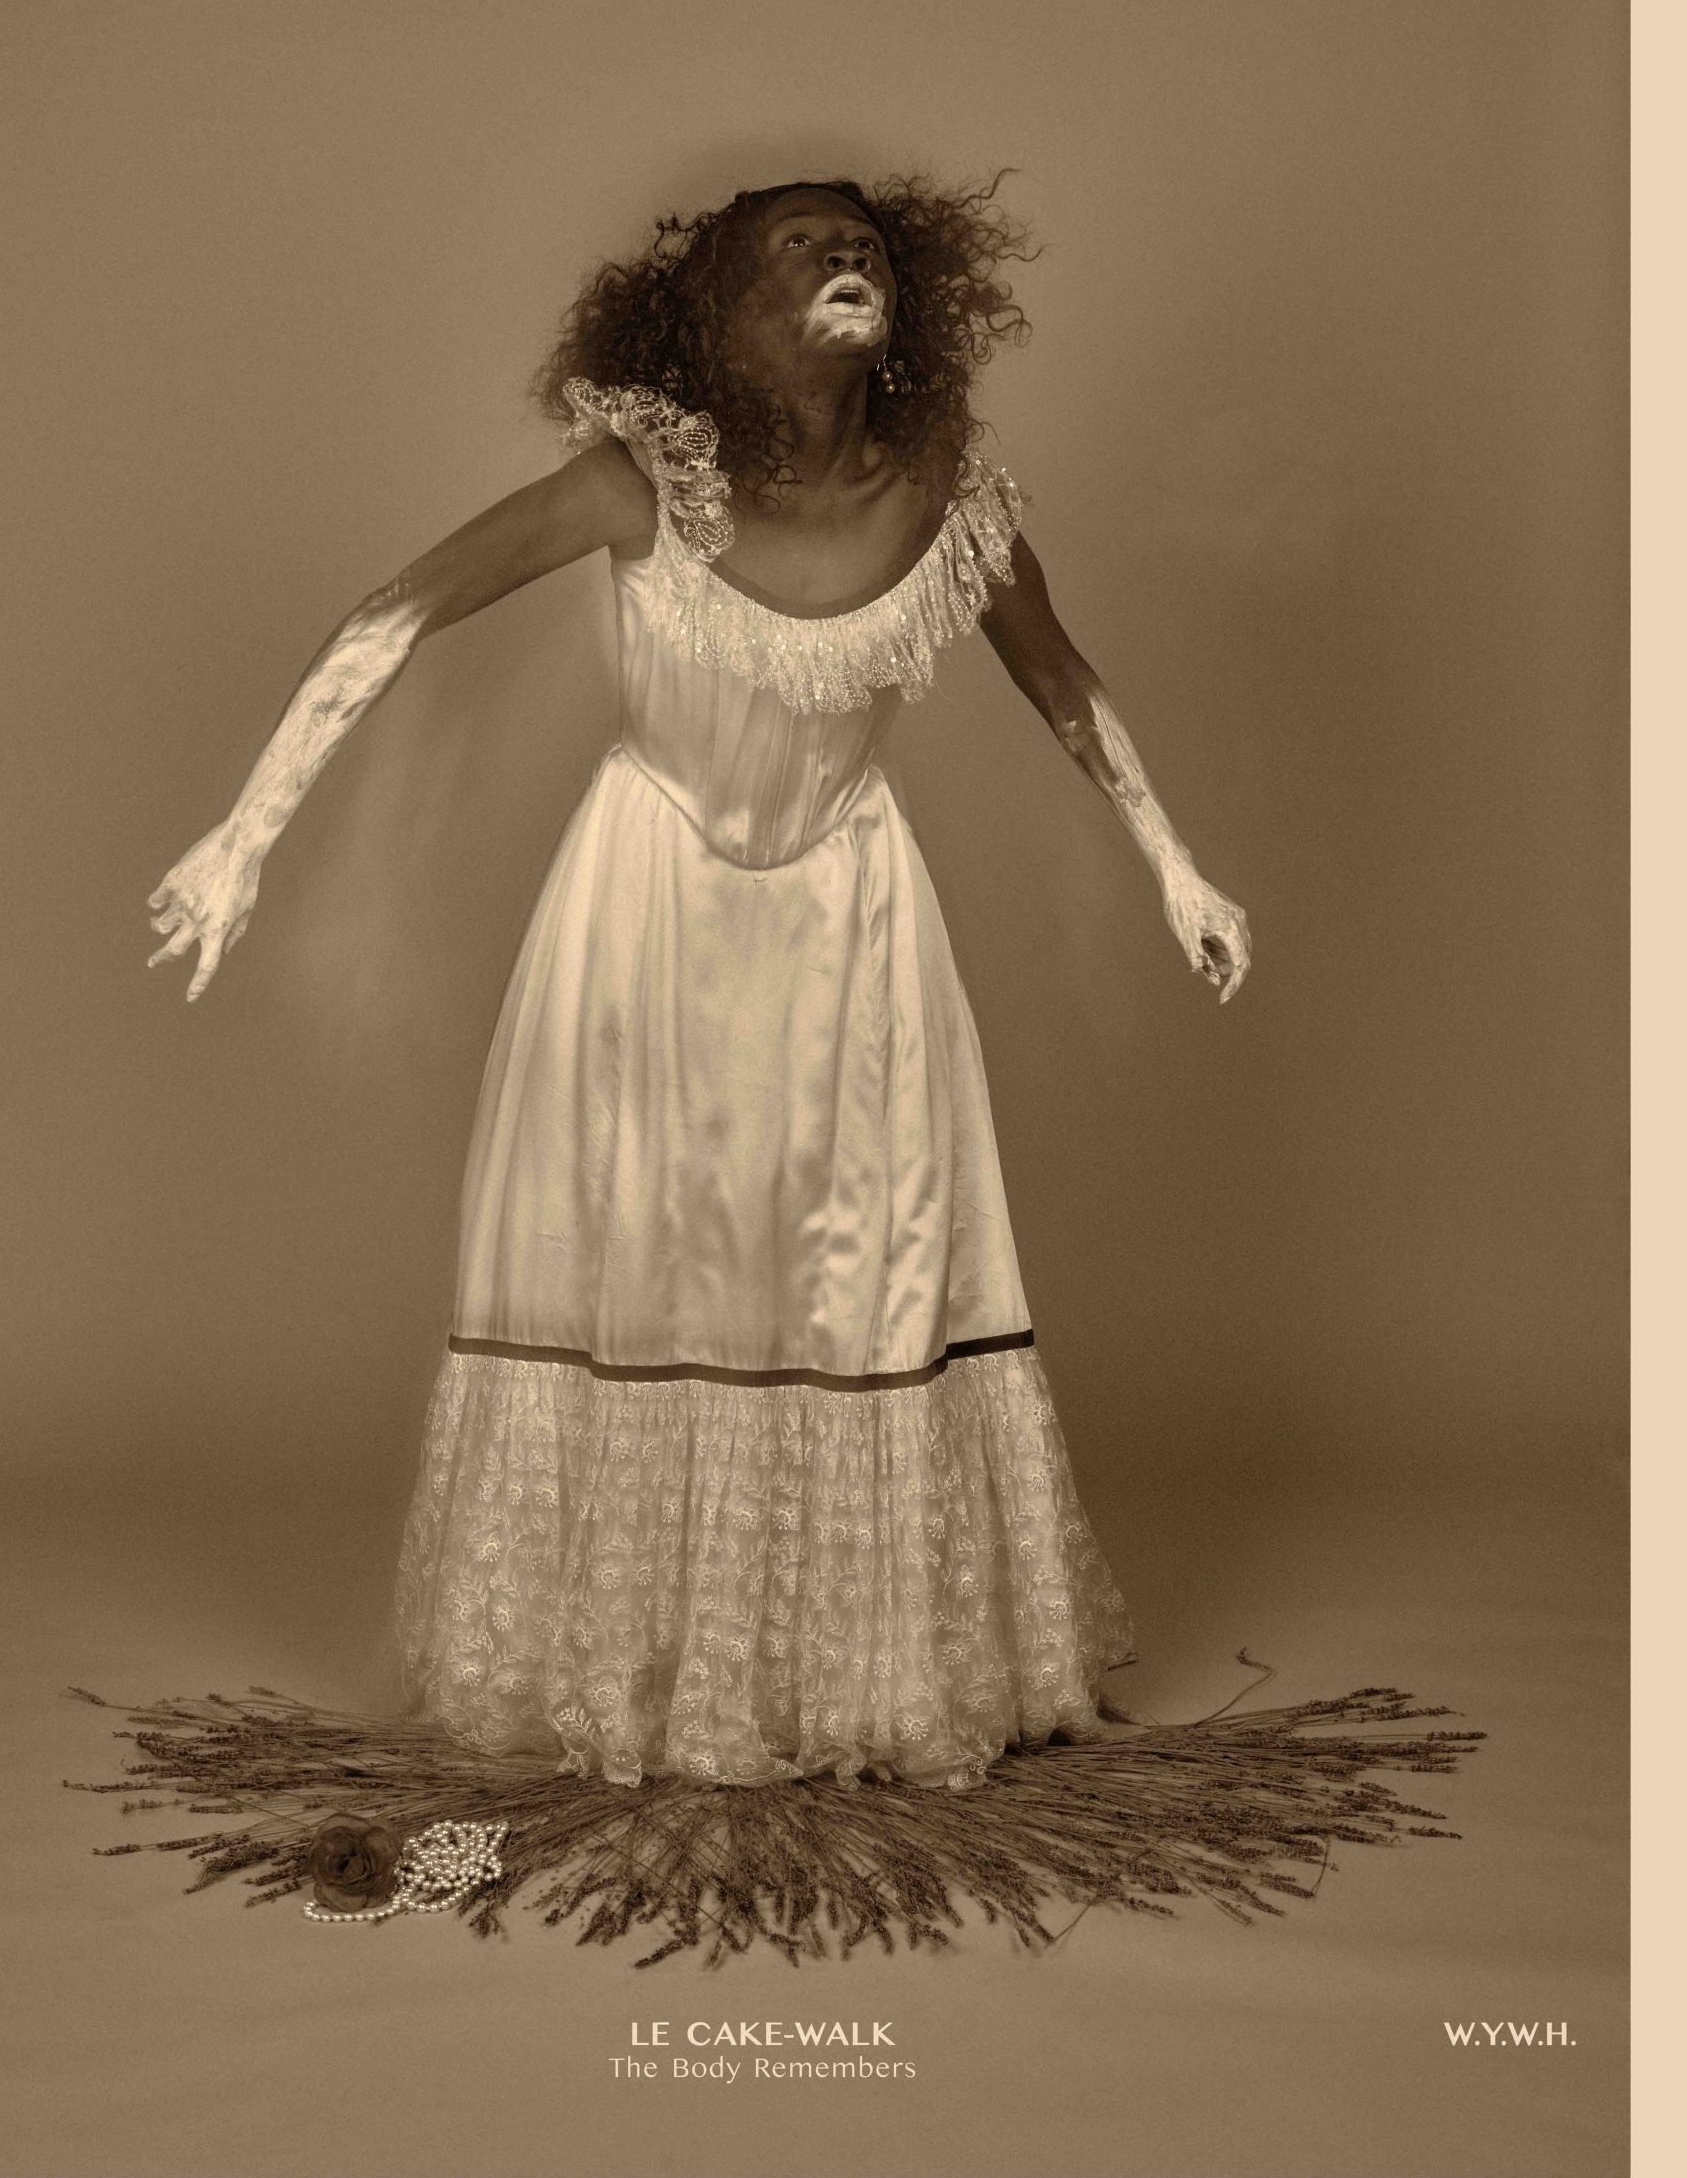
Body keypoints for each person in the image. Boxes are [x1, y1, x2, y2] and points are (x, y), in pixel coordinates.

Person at [147, 174, 1250, 1795]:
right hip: (645, 905)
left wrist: (1173, 863)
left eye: (861, 244)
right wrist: (242, 836)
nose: (844, 255)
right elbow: (391, 618)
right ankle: (649, 1674)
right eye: (798, 245)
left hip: (855, 910)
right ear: (720, 315)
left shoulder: (950, 499)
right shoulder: (634, 482)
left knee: (872, 1276)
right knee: (646, 1269)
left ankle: (860, 1678)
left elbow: (1063, 680)